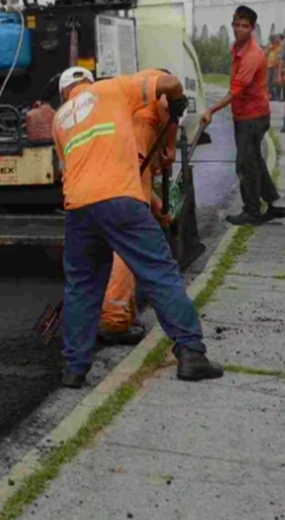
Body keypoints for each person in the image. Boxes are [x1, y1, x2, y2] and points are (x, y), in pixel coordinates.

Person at [52, 66, 222, 386]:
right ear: (89, 82)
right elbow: (169, 82)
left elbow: (73, 171)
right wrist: (175, 101)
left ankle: (74, 369)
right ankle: (191, 353)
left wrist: (153, 202)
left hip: (78, 208)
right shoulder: (112, 88)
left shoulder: (59, 118)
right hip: (121, 200)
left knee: (82, 287)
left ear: (65, 93)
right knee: (159, 272)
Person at [98, 70, 179, 346]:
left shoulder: (134, 95)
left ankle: (117, 310)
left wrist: (156, 204)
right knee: (129, 238)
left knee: (115, 230)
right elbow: (171, 103)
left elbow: (140, 181)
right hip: (133, 154)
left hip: (110, 156)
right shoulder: (163, 89)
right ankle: (115, 317)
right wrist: (171, 146)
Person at [201, 5, 285, 227]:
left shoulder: (253, 55)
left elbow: (236, 90)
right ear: (232, 25)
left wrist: (211, 109)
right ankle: (274, 203)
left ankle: (252, 211)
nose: (240, 29)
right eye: (237, 25)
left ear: (252, 29)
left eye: (245, 26)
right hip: (245, 115)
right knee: (255, 161)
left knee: (245, 165)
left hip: (252, 117)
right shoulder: (235, 48)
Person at [265, 33, 284, 102]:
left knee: (275, 81)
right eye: (275, 39)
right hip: (269, 66)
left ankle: (275, 95)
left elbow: (281, 56)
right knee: (267, 81)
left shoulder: (281, 47)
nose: (276, 40)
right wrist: (269, 48)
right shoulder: (270, 46)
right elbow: (265, 54)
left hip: (276, 66)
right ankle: (266, 94)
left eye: (277, 39)